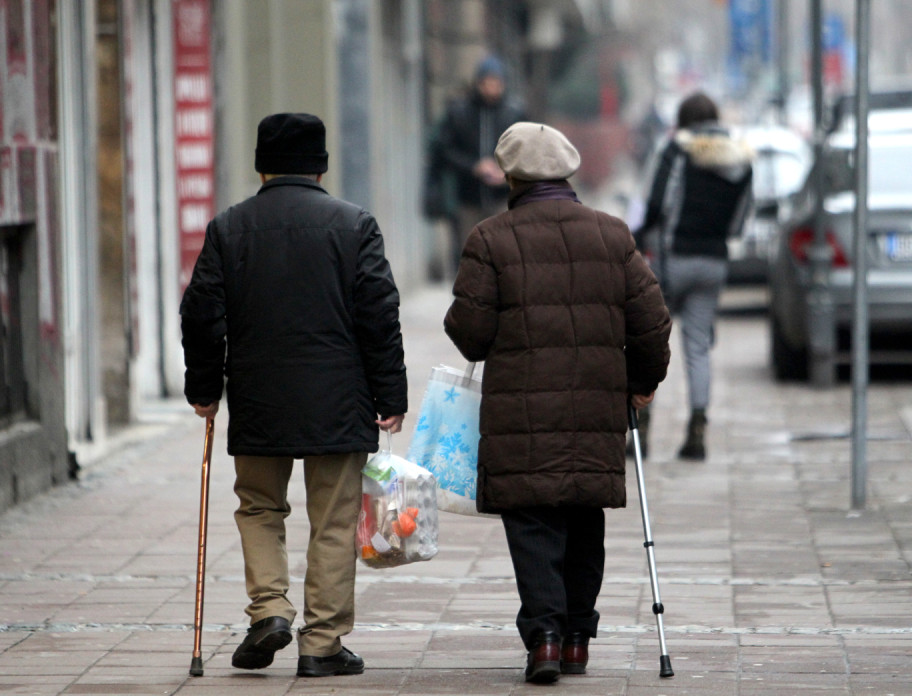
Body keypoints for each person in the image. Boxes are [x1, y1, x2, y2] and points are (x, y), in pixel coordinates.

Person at [179, 112, 408, 678]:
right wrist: (390, 393)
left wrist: (205, 389)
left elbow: (201, 313)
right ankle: (322, 643)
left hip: (259, 395)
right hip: (339, 395)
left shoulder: (229, 227)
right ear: (322, 165)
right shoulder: (355, 225)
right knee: (332, 518)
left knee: (259, 506)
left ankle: (270, 611)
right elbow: (379, 314)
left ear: (261, 165)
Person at [443, 122, 672, 683]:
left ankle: (543, 636)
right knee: (582, 518)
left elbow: (469, 334)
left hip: (521, 416)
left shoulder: (490, 239)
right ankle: (575, 640)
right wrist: (642, 384)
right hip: (594, 412)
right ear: (567, 172)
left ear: (512, 175)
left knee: (533, 525)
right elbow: (652, 323)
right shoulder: (613, 235)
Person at [635, 91, 753, 460]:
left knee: (649, 342)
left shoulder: (675, 150)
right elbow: (739, 221)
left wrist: (639, 238)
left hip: (670, 261)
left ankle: (641, 430)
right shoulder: (741, 159)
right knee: (698, 346)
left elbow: (656, 203)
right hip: (713, 263)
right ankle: (697, 431)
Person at [432, 54, 527, 278]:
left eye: (496, 83)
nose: (492, 89)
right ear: (478, 83)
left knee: (505, 253)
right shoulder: (459, 113)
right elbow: (444, 151)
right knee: (470, 255)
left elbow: (526, 151)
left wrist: (507, 172)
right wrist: (474, 166)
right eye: (487, 83)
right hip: (468, 198)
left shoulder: (514, 112)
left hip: (503, 198)